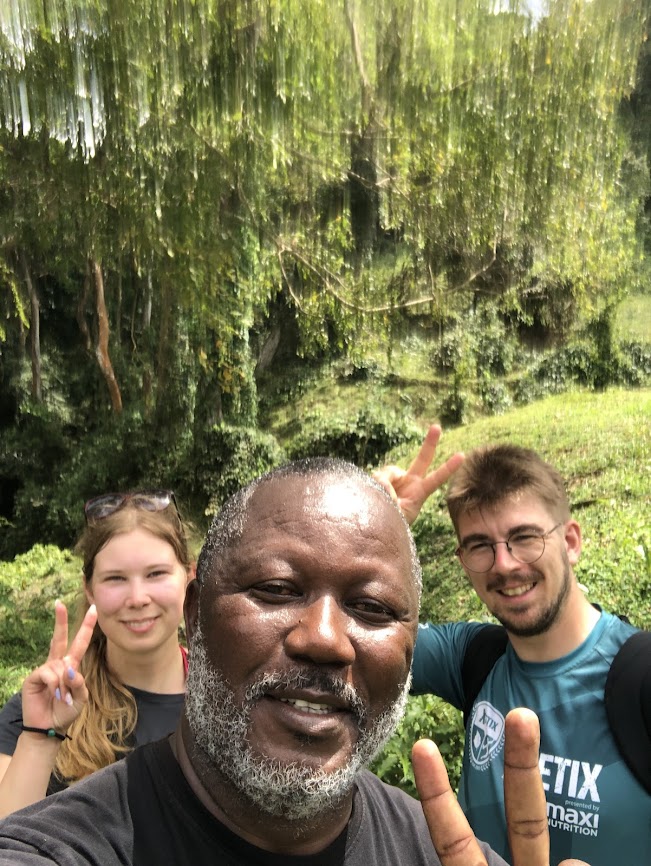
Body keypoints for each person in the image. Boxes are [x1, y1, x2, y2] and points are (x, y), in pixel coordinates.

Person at [0, 459, 588, 866]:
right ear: (195, 615)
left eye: (371, 607)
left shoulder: (438, 853)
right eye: (277, 590)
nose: (326, 640)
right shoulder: (64, 847)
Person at [377, 427, 651, 865]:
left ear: (570, 542)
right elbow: (355, 642)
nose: (504, 564)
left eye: (525, 537)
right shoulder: (471, 658)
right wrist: (377, 530)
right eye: (480, 546)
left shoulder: (641, 677)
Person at [0, 489, 193, 816]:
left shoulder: (228, 697)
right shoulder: (43, 707)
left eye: (156, 574)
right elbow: (7, 837)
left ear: (189, 577)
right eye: (115, 579)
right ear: (89, 589)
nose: (137, 598)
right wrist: (40, 738)